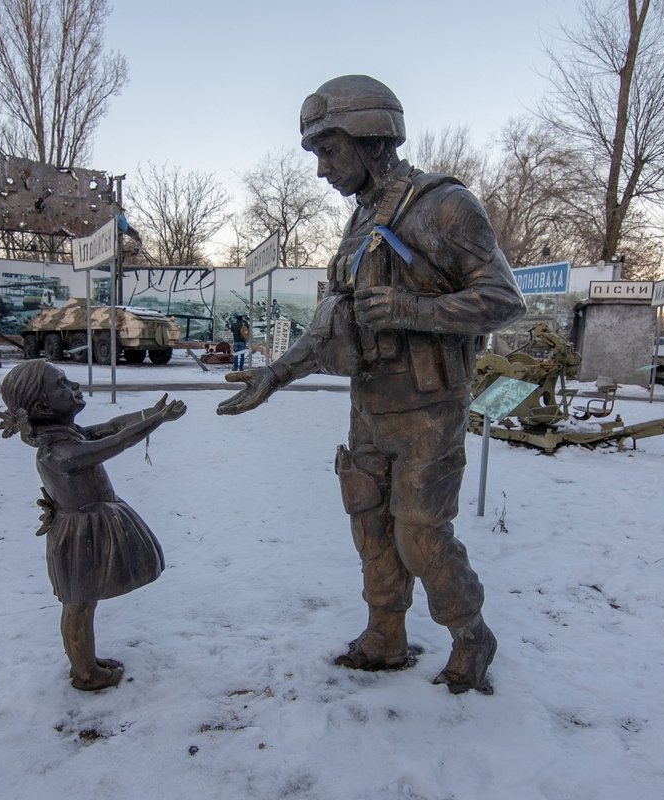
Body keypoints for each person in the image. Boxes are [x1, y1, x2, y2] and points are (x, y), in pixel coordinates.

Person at [217, 75, 526, 695]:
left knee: (420, 533)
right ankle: (385, 635)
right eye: (317, 154)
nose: (322, 168)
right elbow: (331, 322)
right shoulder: (361, 224)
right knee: (369, 523)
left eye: (330, 151)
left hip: (429, 411)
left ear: (372, 137)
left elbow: (503, 299)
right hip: (371, 407)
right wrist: (274, 374)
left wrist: (416, 311)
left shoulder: (444, 205)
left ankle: (471, 635)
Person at [0, 360, 186, 691]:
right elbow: (115, 443)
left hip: (91, 526)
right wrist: (155, 421)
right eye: (62, 384)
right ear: (42, 406)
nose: (74, 387)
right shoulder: (59, 452)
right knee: (78, 604)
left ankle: (86, 662)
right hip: (79, 534)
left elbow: (112, 427)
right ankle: (85, 673)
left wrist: (149, 412)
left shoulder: (67, 435)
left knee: (83, 601)